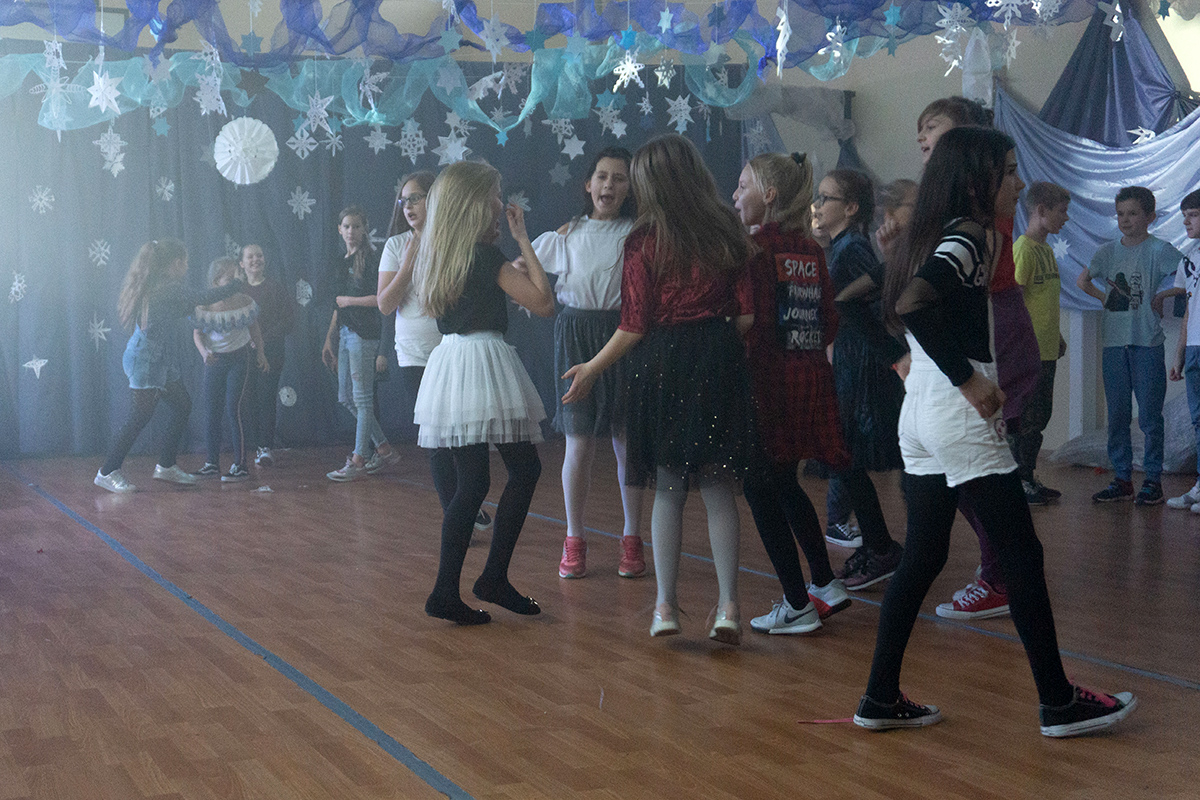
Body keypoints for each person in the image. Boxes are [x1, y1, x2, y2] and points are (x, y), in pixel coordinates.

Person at [858, 125, 1136, 738]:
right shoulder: (972, 233)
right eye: (1008, 171)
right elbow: (912, 303)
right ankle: (1058, 702)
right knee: (1021, 554)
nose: (1017, 181)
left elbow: (859, 300)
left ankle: (879, 695)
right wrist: (966, 379)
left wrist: (905, 361)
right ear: (976, 181)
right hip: (954, 413)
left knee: (925, 554)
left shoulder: (927, 234)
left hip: (918, 414)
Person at [563, 134, 757, 645]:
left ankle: (665, 606)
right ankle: (729, 608)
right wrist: (714, 344)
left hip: (664, 364)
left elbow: (633, 325)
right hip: (718, 360)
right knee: (718, 489)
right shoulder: (727, 231)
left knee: (669, 488)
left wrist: (592, 367)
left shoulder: (645, 240)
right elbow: (746, 317)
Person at [412, 160, 554, 625]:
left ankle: (450, 590)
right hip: (483, 362)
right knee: (524, 469)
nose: (500, 202)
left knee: (473, 481)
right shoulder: (488, 258)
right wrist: (523, 239)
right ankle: (489, 577)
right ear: (475, 203)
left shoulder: (441, 256)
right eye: (495, 194)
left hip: (452, 363)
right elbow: (544, 302)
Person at [732, 151, 852, 634]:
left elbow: (746, 320)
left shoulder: (752, 249)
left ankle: (796, 603)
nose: (734, 195)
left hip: (767, 383)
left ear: (769, 195)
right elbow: (829, 321)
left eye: (743, 186)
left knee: (758, 486)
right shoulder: (811, 250)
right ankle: (824, 582)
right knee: (784, 481)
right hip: (808, 379)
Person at [532, 147, 646, 580]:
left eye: (619, 178)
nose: (609, 184)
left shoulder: (637, 234)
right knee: (578, 441)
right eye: (602, 176)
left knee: (626, 441)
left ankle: (632, 538)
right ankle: (574, 538)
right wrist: (523, 240)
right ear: (588, 184)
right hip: (576, 334)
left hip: (622, 335)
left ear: (630, 188)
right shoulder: (568, 233)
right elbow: (527, 270)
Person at [378, 172, 494, 528]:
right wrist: (409, 264)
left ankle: (465, 504)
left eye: (416, 197)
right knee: (437, 440)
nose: (408, 206)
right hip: (414, 354)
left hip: (455, 349)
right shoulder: (396, 245)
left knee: (463, 435)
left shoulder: (454, 241)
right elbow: (385, 303)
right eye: (404, 200)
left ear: (436, 198)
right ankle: (456, 517)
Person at [812, 169, 905, 590]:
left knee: (848, 458)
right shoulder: (843, 247)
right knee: (845, 461)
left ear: (850, 208)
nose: (817, 206)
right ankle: (879, 544)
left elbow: (871, 311)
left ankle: (882, 547)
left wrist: (888, 360)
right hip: (853, 362)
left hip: (864, 368)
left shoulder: (852, 250)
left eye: (826, 198)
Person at [95, 239, 242, 493]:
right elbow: (202, 298)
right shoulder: (168, 288)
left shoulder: (159, 287)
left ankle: (166, 465)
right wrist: (237, 284)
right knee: (139, 416)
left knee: (182, 405)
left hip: (158, 358)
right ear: (175, 263)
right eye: (185, 262)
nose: (187, 267)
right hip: (145, 358)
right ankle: (107, 471)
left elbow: (186, 307)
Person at [1076, 186, 1183, 505]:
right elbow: (1083, 280)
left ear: (1150, 216)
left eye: (1133, 213)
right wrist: (1104, 299)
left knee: (1150, 416)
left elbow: (1189, 276)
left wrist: (1163, 295)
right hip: (1114, 344)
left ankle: (1153, 480)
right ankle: (1122, 478)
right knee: (1118, 415)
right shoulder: (1107, 252)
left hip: (1146, 343)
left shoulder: (1159, 250)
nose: (1125, 219)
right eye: (1121, 214)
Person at [322, 206, 400, 481]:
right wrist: (330, 338)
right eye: (346, 226)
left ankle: (358, 458)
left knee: (363, 398)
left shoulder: (372, 259)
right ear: (339, 229)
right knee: (345, 397)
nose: (351, 231)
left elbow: (383, 299)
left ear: (364, 229)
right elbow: (337, 305)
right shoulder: (340, 261)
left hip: (364, 335)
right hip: (345, 333)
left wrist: (350, 301)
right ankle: (384, 448)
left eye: (356, 226)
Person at [1008, 182, 1071, 502]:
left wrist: (1055, 335)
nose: (1066, 218)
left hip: (1046, 349)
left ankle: (1028, 476)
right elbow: (1014, 302)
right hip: (1027, 352)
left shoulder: (1046, 250)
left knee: (1040, 416)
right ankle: (1017, 481)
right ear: (1041, 210)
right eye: (1062, 211)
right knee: (1026, 418)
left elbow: (1042, 301)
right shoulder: (1024, 249)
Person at [192, 257, 269, 482]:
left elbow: (255, 329)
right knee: (212, 411)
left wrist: (261, 353)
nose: (236, 282)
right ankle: (211, 462)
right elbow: (197, 334)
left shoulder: (244, 301)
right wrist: (205, 353)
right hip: (215, 361)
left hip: (239, 358)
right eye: (230, 279)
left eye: (238, 277)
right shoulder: (205, 305)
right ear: (216, 281)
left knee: (234, 409)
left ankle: (241, 464)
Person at [238, 244, 295, 468]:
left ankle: (265, 447)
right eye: (250, 257)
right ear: (242, 263)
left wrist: (262, 340)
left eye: (259, 255)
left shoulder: (275, 287)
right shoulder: (237, 290)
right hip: (242, 353)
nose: (255, 260)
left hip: (271, 353)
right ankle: (251, 445)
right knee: (247, 398)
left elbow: (287, 321)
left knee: (265, 397)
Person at [1167, 189, 1200, 510]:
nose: (1186, 222)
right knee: (1198, 420)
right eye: (1184, 216)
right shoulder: (1189, 257)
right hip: (1194, 348)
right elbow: (1190, 310)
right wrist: (1179, 354)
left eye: (1193, 215)